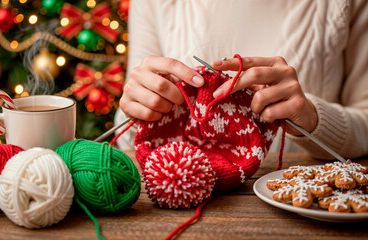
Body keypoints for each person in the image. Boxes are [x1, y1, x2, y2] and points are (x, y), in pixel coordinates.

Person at [115, 0, 368, 160]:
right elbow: (126, 143)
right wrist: (142, 108)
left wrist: (312, 118)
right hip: (181, 200)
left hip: (303, 201)